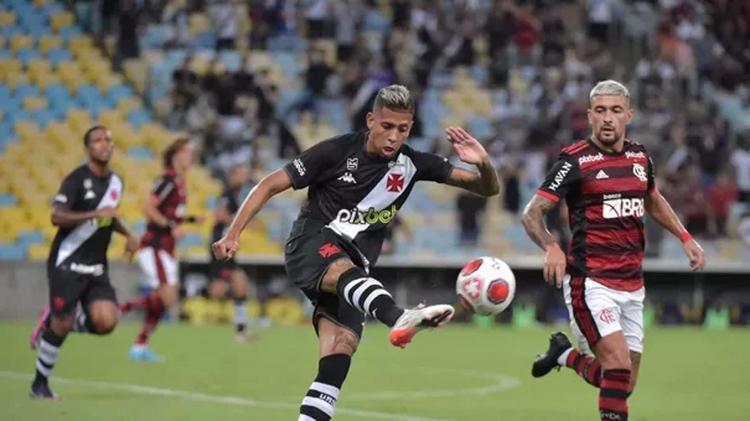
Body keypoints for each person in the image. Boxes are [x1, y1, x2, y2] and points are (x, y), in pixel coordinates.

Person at [212, 85, 499, 421]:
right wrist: (233, 233)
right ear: (370, 120)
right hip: (312, 243)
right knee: (343, 269)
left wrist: (484, 162)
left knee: (341, 348)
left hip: (354, 273)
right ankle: (398, 316)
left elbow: (487, 188)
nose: (393, 137)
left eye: (402, 129)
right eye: (386, 127)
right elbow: (269, 184)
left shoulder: (414, 164)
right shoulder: (335, 152)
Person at [521, 80, 705, 421]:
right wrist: (551, 247)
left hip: (632, 285)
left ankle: (565, 355)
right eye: (601, 111)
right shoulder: (574, 160)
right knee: (618, 365)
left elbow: (652, 198)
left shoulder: (639, 156)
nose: (608, 118)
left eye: (616, 111)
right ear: (590, 116)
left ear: (629, 116)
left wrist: (685, 237)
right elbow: (532, 213)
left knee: (623, 382)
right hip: (591, 282)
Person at [28, 126, 139, 399]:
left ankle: (52, 321)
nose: (105, 145)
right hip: (67, 261)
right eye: (98, 140)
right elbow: (57, 216)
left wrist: (128, 234)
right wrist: (93, 213)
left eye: (109, 140)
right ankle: (39, 385)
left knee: (107, 321)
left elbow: (107, 217)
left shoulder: (116, 183)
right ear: (88, 148)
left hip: (96, 265)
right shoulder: (76, 180)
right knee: (63, 324)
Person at [120, 137, 201, 361]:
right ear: (175, 155)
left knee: (165, 299)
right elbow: (148, 207)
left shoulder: (180, 182)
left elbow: (170, 213)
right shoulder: (168, 179)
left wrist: (190, 220)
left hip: (166, 248)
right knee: (168, 298)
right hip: (154, 245)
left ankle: (140, 346)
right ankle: (120, 309)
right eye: (186, 152)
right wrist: (172, 226)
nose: (190, 156)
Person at [208, 164, 255, 342]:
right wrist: (240, 222)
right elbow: (219, 216)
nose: (243, 178)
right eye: (241, 174)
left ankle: (241, 331)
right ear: (232, 175)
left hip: (227, 247)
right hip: (221, 247)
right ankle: (188, 297)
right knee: (219, 290)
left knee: (239, 284)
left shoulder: (234, 196)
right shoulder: (227, 194)